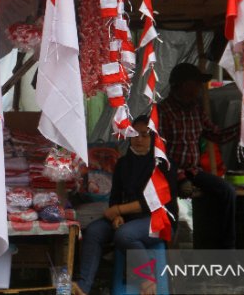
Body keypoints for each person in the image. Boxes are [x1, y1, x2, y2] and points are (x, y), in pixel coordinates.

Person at [75, 115, 177, 295]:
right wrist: (117, 216)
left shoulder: (162, 163)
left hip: (158, 220)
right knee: (94, 232)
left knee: (125, 235)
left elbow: (152, 203)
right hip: (129, 219)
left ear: (154, 138)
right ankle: (83, 287)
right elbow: (115, 195)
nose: (138, 139)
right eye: (134, 134)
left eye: (145, 135)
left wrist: (119, 210)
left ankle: (147, 279)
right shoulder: (124, 163)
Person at [158, 62, 239, 249]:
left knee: (227, 192)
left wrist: (241, 128)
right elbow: (160, 153)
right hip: (169, 171)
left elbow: (216, 135)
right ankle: (168, 255)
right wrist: (179, 177)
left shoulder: (196, 109)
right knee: (170, 207)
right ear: (182, 84)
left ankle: (227, 251)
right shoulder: (163, 111)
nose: (198, 88)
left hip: (193, 171)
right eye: (195, 83)